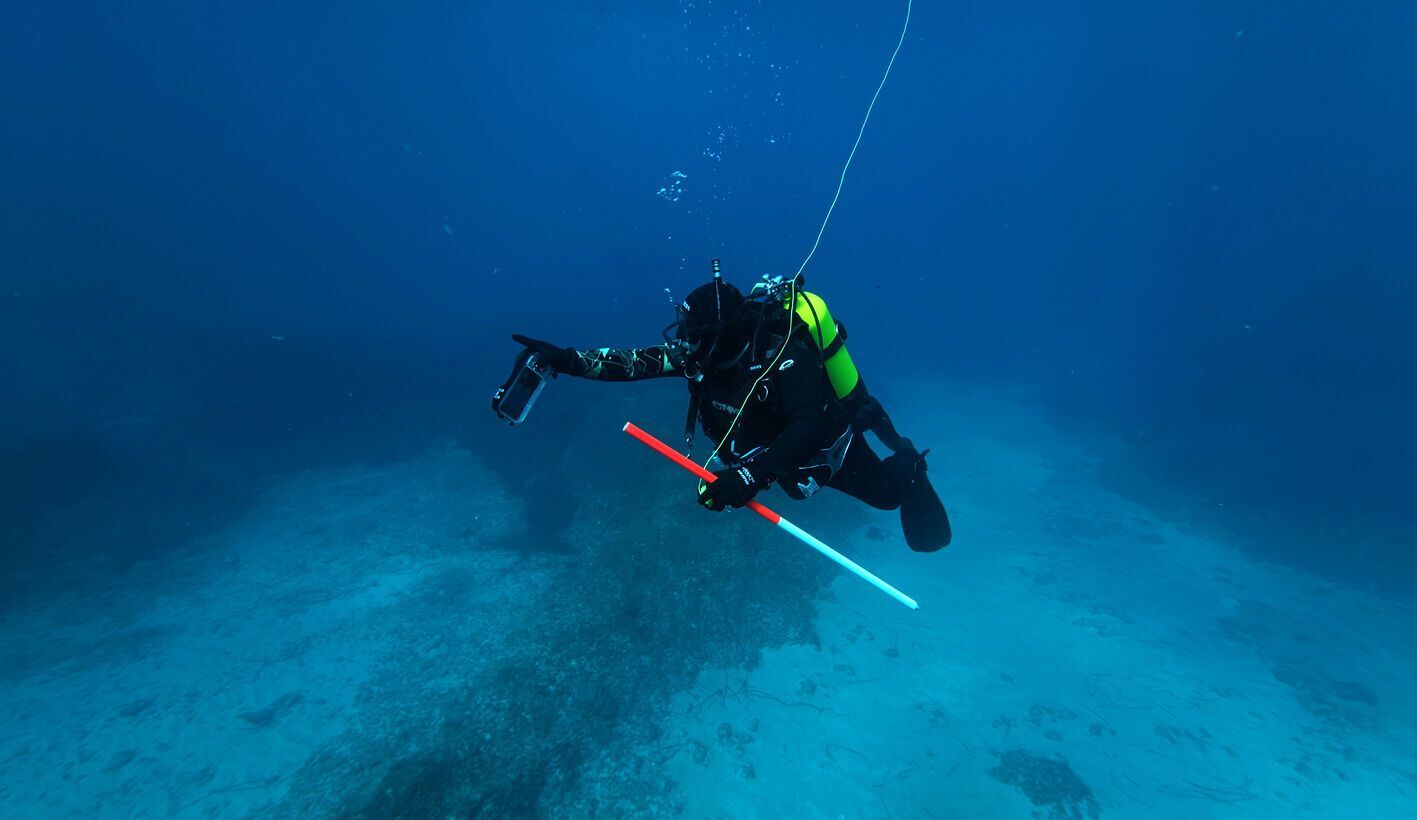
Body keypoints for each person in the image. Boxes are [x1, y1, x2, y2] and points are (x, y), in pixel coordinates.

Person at [510, 266, 951, 552]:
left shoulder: (784, 356)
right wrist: (567, 360)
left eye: (692, 334)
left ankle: (910, 464)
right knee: (784, 477)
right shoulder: (699, 354)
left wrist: (749, 477)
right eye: (684, 331)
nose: (684, 344)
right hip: (763, 451)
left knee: (887, 497)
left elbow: (807, 424)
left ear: (722, 334)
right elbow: (635, 362)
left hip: (825, 450)